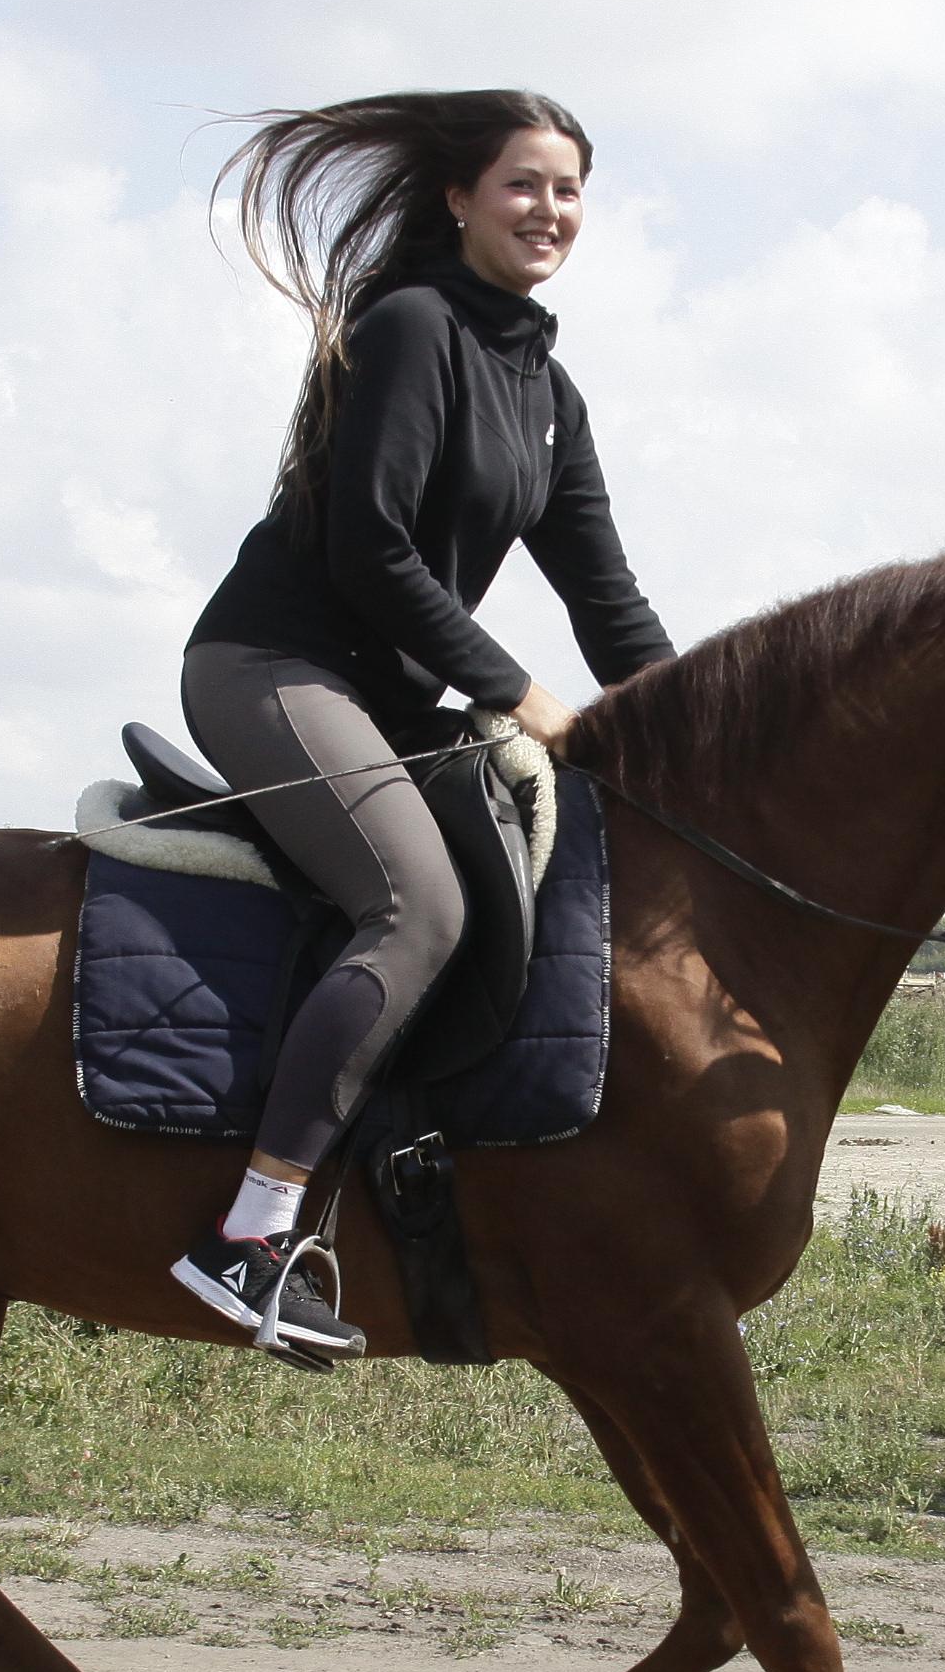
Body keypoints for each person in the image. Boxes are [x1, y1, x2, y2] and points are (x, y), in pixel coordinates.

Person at [170, 90, 672, 1357]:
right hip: (272, 665)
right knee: (421, 907)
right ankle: (248, 1235)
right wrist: (520, 690)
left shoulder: (546, 392)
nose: (548, 209)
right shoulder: (412, 328)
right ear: (459, 197)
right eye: (523, 184)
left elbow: (607, 596)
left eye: (568, 189)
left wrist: (699, 730)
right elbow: (371, 550)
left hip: (384, 698)